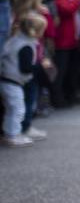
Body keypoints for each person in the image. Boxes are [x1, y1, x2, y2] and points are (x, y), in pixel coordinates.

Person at [1, 14, 47, 147]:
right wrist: (40, 65)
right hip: (13, 81)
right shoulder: (26, 46)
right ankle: (13, 135)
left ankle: (9, 133)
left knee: (11, 109)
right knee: (18, 110)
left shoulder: (16, 40)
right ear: (36, 32)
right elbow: (26, 68)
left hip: (7, 79)